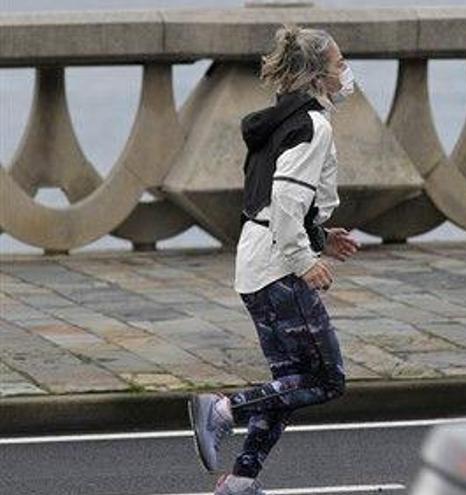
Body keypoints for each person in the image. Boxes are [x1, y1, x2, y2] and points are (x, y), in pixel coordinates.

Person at [187, 25, 360, 495]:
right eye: (339, 65)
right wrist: (306, 260)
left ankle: (240, 481)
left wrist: (322, 237)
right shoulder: (313, 126)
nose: (346, 73)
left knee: (289, 383)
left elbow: (275, 205)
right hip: (280, 268)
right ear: (316, 77)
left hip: (255, 262)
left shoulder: (282, 120)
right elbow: (284, 203)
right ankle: (223, 410)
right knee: (326, 379)